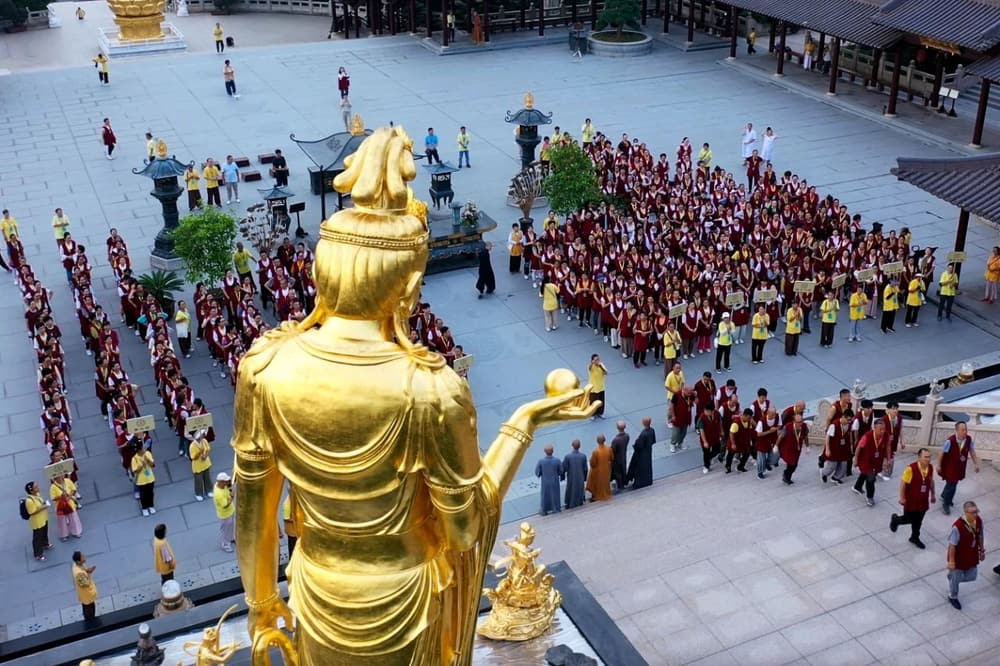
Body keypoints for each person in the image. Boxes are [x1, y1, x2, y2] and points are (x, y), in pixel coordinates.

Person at [890, 447, 936, 549]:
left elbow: (931, 481)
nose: (928, 459)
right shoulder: (910, 469)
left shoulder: (930, 468)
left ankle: (914, 537)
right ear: (919, 458)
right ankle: (896, 520)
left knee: (918, 521)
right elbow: (903, 484)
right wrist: (902, 498)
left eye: (929, 457)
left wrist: (932, 494)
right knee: (908, 519)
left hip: (923, 501)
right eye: (925, 457)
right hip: (911, 501)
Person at [946, 501, 985, 610]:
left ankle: (952, 578)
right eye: (972, 512)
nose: (975, 514)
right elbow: (952, 545)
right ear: (966, 513)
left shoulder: (978, 521)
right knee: (956, 578)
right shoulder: (957, 527)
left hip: (971, 554)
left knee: (972, 576)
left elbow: (980, 535)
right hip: (959, 558)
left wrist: (981, 550)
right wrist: (951, 561)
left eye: (976, 511)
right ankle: (952, 596)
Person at [937, 421, 980, 515]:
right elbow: (942, 453)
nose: (965, 432)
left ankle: (944, 495)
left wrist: (976, 463)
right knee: (952, 485)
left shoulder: (968, 439)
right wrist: (938, 465)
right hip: (950, 467)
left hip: (960, 467)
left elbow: (972, 451)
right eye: (962, 430)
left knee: (952, 483)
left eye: (966, 429)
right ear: (956, 430)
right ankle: (946, 503)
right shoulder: (950, 441)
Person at [853, 419, 885, 507]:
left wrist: (888, 459)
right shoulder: (867, 436)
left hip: (876, 461)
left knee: (865, 474)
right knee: (870, 479)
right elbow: (859, 447)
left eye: (883, 429)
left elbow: (888, 446)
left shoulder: (885, 436)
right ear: (874, 428)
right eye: (880, 429)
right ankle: (870, 497)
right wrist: (855, 459)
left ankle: (857, 487)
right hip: (866, 461)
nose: (882, 431)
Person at [821, 408, 853, 484]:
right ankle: (824, 474)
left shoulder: (849, 425)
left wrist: (851, 445)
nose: (849, 421)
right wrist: (827, 449)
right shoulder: (834, 425)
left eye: (850, 420)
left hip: (843, 449)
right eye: (848, 420)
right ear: (843, 417)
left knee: (843, 465)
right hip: (834, 448)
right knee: (832, 465)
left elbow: (850, 434)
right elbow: (828, 437)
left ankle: (836, 478)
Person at [24, 481, 52, 561]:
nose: (38, 487)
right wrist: (44, 507)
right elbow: (32, 512)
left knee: (44, 532)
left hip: (43, 518)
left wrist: (43, 504)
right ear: (31, 491)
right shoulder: (29, 501)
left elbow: (40, 502)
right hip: (37, 522)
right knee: (37, 538)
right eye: (36, 487)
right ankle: (38, 554)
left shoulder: (37, 495)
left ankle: (45, 544)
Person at [50, 473, 83, 541]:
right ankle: (63, 535)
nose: (61, 476)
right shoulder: (53, 487)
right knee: (62, 521)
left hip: (70, 503)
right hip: (60, 506)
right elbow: (53, 498)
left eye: (61, 475)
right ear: (55, 478)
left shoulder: (67, 481)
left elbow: (73, 490)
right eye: (59, 476)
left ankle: (76, 532)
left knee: (73, 518)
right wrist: (61, 497)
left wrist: (69, 497)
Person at [779, 410, 808, 484]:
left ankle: (786, 475)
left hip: (797, 449)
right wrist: (776, 446)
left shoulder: (804, 426)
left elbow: (805, 436)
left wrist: (807, 446)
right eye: (798, 422)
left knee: (794, 465)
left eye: (801, 421)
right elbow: (780, 437)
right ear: (794, 421)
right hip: (788, 448)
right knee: (791, 464)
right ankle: (786, 477)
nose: (800, 424)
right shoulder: (787, 427)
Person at [626, 418, 654, 489]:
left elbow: (638, 445)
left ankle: (639, 483)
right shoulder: (652, 430)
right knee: (647, 467)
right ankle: (647, 480)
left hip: (641, 454)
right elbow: (653, 440)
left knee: (639, 469)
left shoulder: (643, 434)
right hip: (648, 451)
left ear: (643, 423)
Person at [534, 445, 562, 515]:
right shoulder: (557, 460)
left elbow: (537, 472)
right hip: (554, 481)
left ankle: (544, 510)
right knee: (555, 495)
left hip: (545, 482)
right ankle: (556, 509)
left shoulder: (541, 461)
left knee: (545, 495)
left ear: (545, 452)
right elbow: (561, 471)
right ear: (553, 451)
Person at [697, 401, 722, 474]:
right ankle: (706, 466)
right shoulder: (702, 418)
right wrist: (704, 442)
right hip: (706, 437)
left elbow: (720, 422)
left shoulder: (717, 414)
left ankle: (710, 458)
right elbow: (701, 430)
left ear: (712, 411)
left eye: (707, 411)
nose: (705, 412)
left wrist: (721, 431)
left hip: (715, 436)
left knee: (717, 449)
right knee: (706, 453)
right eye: (705, 410)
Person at [131, 442, 157, 516]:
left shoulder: (147, 453)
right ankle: (144, 508)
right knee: (143, 495)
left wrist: (148, 460)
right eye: (143, 448)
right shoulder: (134, 459)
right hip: (141, 480)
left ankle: (151, 506)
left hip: (150, 478)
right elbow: (135, 470)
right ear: (139, 450)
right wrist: (142, 465)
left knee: (150, 493)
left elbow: (153, 465)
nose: (144, 448)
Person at [755, 405, 780, 478]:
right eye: (772, 414)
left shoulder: (777, 417)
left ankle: (767, 463)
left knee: (775, 456)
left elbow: (779, 425)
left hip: (772, 441)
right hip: (762, 442)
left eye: (775, 414)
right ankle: (760, 473)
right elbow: (758, 434)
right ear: (768, 413)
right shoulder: (761, 421)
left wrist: (776, 429)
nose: (774, 416)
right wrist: (769, 431)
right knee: (761, 460)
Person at [72, 551, 98, 621]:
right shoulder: (78, 573)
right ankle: (90, 623)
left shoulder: (78, 565)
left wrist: (88, 571)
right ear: (78, 561)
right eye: (82, 557)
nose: (84, 557)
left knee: (87, 608)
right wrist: (89, 573)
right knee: (89, 610)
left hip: (86, 596)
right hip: (87, 596)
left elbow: (84, 571)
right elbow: (85, 584)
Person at [726, 408, 754, 474]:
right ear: (744, 415)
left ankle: (740, 466)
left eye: (750, 418)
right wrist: (733, 444)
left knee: (747, 453)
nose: (749, 419)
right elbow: (731, 433)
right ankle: (728, 466)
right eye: (748, 417)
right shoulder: (736, 423)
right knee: (731, 454)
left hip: (743, 441)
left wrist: (750, 440)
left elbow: (749, 431)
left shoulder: (748, 422)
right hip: (735, 441)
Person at [562, 440, 588, 509]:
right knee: (579, 489)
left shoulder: (567, 456)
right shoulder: (583, 456)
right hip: (580, 477)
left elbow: (564, 468)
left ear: (572, 445)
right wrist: (585, 478)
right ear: (580, 446)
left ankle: (569, 503)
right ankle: (580, 501)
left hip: (571, 477)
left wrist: (562, 477)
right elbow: (585, 469)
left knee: (571, 489)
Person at [586, 435, 613, 501]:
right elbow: (612, 458)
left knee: (594, 481)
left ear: (597, 441)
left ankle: (596, 496)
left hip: (598, 471)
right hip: (606, 469)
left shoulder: (596, 451)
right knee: (605, 482)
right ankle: (607, 493)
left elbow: (592, 463)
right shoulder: (609, 449)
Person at [189, 429, 213, 501]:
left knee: (207, 478)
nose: (203, 435)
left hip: (205, 463)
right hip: (197, 465)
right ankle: (198, 493)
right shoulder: (192, 446)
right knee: (198, 480)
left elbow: (208, 449)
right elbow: (193, 457)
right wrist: (199, 452)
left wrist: (205, 455)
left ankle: (209, 490)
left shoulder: (204, 441)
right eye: (201, 434)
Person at [214, 472, 235, 552]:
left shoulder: (221, 485)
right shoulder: (218, 494)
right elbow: (225, 505)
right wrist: (232, 496)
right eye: (226, 481)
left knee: (231, 526)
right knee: (226, 529)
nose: (228, 482)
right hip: (225, 515)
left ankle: (231, 538)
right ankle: (225, 544)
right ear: (221, 482)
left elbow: (228, 488)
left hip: (230, 511)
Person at [610, 421, 629, 491]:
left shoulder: (616, 440)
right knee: (623, 469)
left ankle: (620, 486)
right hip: (623, 456)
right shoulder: (627, 436)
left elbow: (612, 450)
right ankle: (624, 481)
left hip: (616, 459)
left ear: (617, 428)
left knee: (617, 472)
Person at [588, 354, 607, 420]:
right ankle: (592, 414)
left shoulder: (601, 365)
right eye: (596, 360)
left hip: (601, 387)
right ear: (592, 361)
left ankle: (600, 413)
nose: (597, 361)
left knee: (601, 402)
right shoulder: (591, 366)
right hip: (593, 388)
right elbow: (589, 368)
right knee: (593, 402)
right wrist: (592, 363)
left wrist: (600, 366)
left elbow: (606, 372)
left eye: (598, 359)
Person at [282, 494, 297, 562]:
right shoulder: (289, 500)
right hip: (292, 531)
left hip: (292, 530)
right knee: (293, 548)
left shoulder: (290, 498)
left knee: (292, 548)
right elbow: (287, 518)